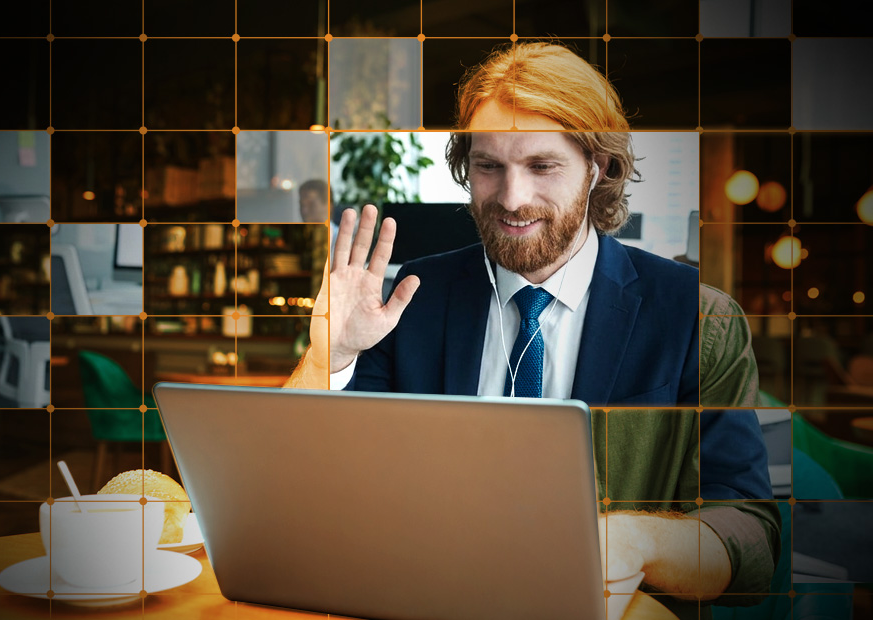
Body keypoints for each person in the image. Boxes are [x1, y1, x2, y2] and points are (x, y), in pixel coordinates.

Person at [286, 42, 776, 619]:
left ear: (598, 169)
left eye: (542, 166)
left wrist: (638, 542)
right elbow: (299, 494)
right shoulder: (412, 297)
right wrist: (331, 355)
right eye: (489, 166)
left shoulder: (696, 318)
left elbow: (748, 536)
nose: (512, 200)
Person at [298, 179, 338, 249]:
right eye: (302, 205)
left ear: (329, 206)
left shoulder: (339, 238)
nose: (304, 211)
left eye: (311, 204)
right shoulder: (300, 239)